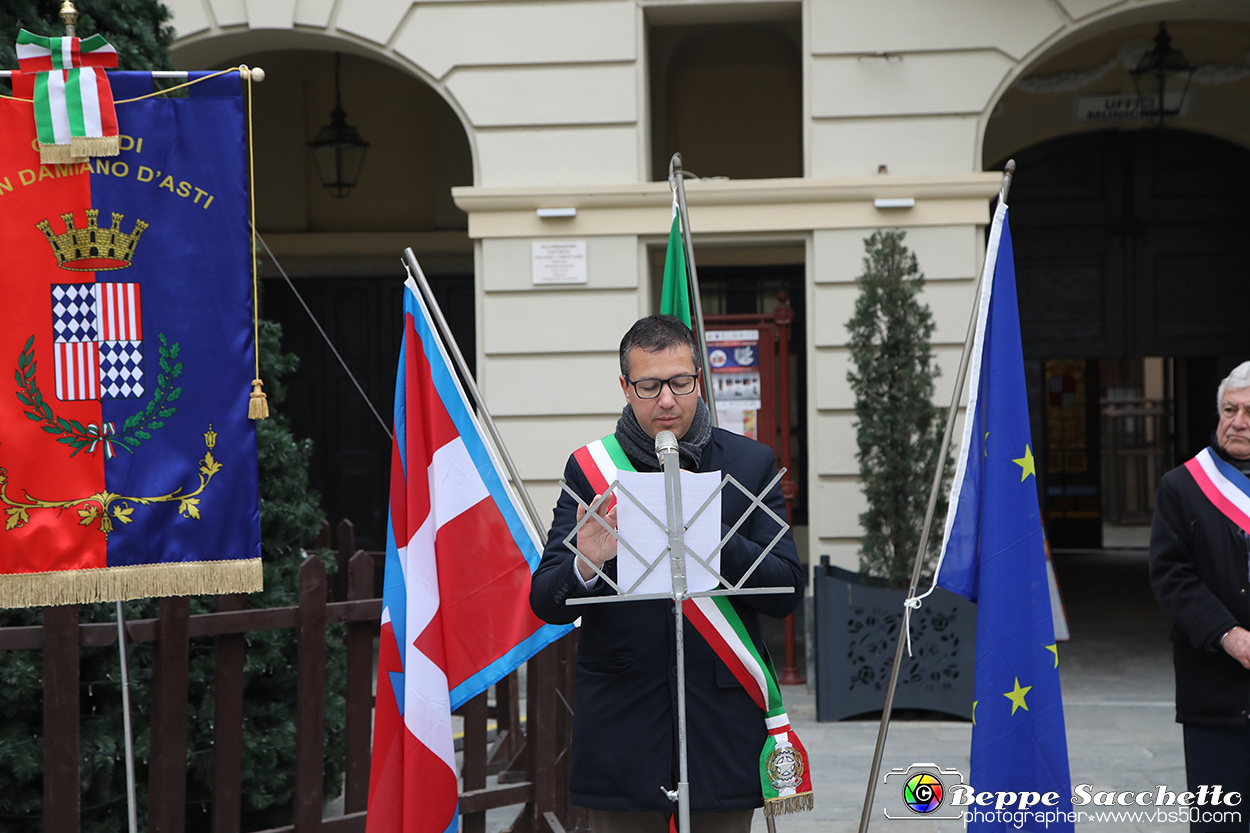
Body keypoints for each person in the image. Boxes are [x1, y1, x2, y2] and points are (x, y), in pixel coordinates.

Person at [530, 315, 805, 833]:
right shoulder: (590, 470)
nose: (667, 401)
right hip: (623, 722)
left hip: (720, 720)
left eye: (681, 383)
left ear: (699, 378)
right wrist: (585, 561)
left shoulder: (749, 462)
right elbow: (545, 600)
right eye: (649, 386)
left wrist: (713, 538)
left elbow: (786, 588)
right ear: (625, 387)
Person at [1150, 361, 1250, 829]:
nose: (1238, 421)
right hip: (1214, 692)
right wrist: (1229, 635)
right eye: (1229, 409)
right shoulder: (1183, 486)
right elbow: (1171, 575)